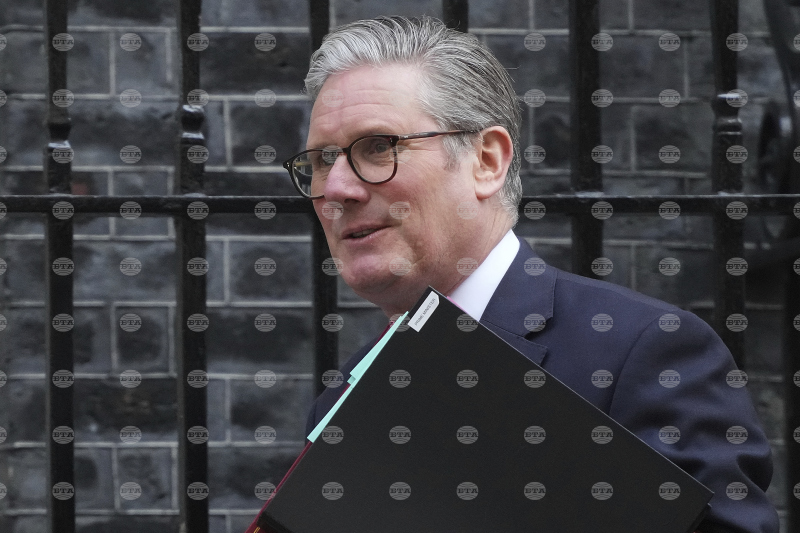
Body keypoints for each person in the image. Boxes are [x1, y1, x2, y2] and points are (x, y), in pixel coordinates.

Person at [283, 15, 777, 533]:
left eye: (378, 147)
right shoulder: (343, 397)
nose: (336, 189)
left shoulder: (642, 351)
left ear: (487, 160)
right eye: (322, 160)